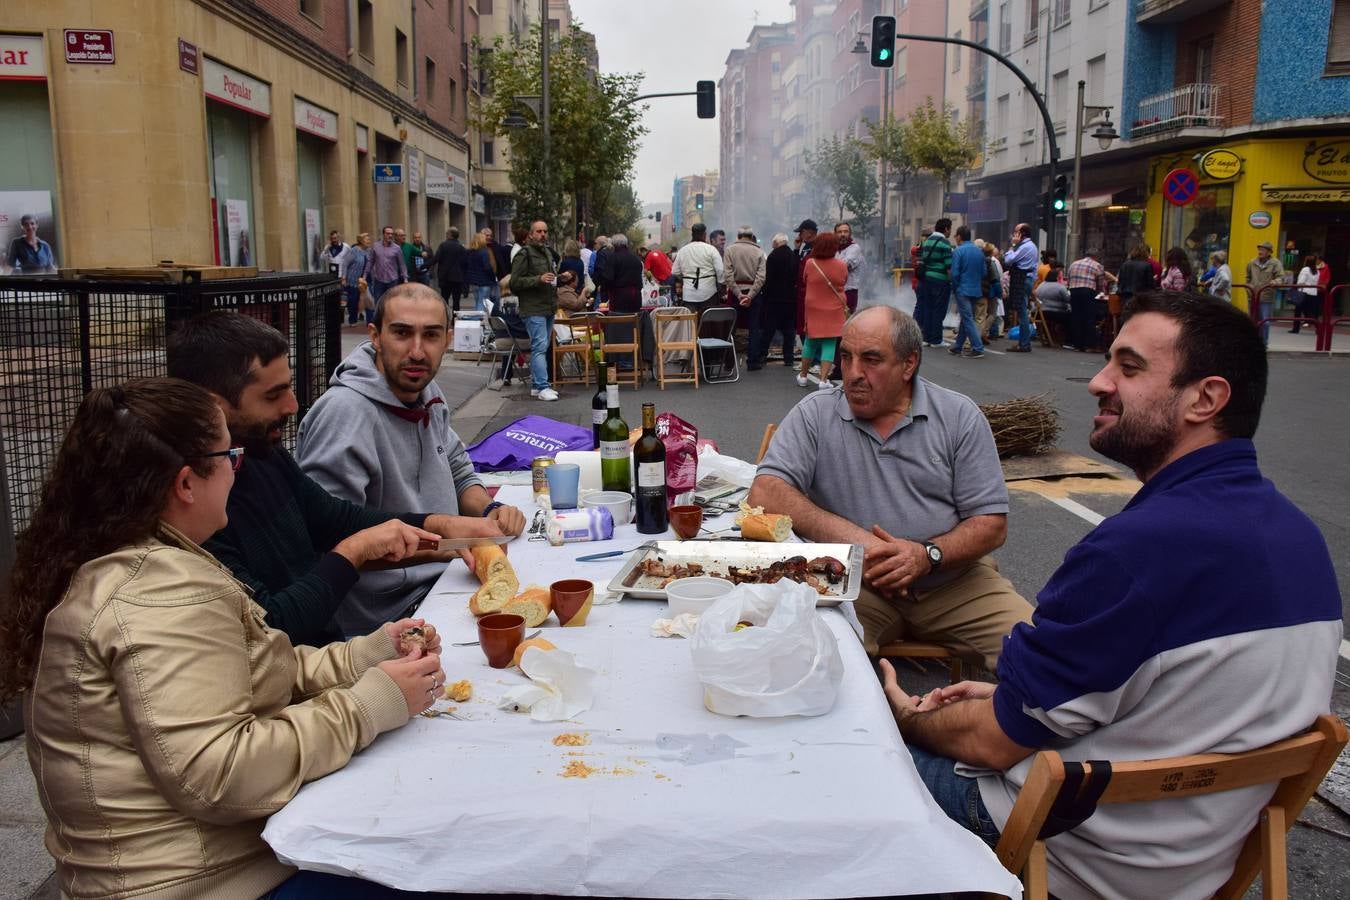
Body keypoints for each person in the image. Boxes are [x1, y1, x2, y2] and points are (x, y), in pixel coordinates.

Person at [882, 291, 1341, 900]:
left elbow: (990, 742)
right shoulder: (1300, 537)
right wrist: (1017, 697)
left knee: (845, 766)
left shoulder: (1132, 550)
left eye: (1128, 367)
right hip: (1198, 864)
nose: (1098, 382)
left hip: (1074, 855)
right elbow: (1182, 698)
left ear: (1205, 398)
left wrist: (910, 718)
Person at [0, 377, 445, 899]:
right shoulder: (163, 593)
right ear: (187, 483)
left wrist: (369, 654)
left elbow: (255, 668)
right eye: (229, 453)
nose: (240, 467)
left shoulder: (144, 557)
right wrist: (373, 703)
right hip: (201, 882)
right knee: (436, 859)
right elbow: (220, 773)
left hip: (199, 861)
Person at [167, 311, 502, 645]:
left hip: (333, 655)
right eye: (272, 395)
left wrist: (439, 527)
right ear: (212, 409)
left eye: (432, 335)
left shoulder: (259, 452)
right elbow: (269, 628)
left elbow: (335, 516)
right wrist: (354, 552)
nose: (293, 405)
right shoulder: (193, 511)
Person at [750, 306, 1033, 669]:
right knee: (807, 658)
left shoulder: (958, 416)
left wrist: (926, 556)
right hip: (855, 584)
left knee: (1042, 657)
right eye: (846, 358)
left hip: (951, 583)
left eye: (871, 360)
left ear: (908, 364)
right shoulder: (817, 413)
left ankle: (978, 722)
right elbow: (765, 491)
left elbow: (991, 524)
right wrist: (859, 543)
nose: (852, 374)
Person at [296, 284, 527, 635]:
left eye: (430, 335)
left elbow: (457, 467)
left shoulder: (424, 390)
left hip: (444, 581)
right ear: (375, 336)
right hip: (387, 620)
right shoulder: (344, 415)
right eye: (402, 333)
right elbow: (329, 540)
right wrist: (450, 543)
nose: (417, 352)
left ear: (447, 339)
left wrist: (487, 511)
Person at [509, 220, 560, 402]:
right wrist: (538, 279)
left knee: (542, 346)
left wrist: (560, 277)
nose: (543, 235)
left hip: (548, 306)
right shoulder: (524, 254)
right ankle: (543, 386)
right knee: (539, 347)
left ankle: (537, 386)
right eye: (539, 231)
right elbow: (514, 283)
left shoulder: (546, 252)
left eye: (545, 231)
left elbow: (549, 278)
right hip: (533, 308)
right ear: (530, 234)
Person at [797, 231, 849, 388]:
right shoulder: (841, 265)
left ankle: (803, 376)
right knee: (829, 342)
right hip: (834, 308)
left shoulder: (810, 263)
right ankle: (823, 379)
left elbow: (805, 279)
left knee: (810, 341)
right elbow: (844, 281)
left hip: (813, 307)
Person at [751, 232, 798, 370]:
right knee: (789, 330)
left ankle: (762, 355)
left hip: (774, 299)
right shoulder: (793, 256)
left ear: (777, 243)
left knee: (769, 329)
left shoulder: (772, 256)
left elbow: (768, 279)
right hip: (790, 299)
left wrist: (764, 296)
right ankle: (788, 358)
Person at [948, 225, 986, 359]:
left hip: (962, 289)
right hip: (976, 289)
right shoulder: (979, 251)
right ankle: (958, 346)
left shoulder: (958, 251)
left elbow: (955, 273)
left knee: (968, 318)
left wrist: (956, 287)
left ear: (959, 237)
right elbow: (984, 272)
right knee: (966, 318)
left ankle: (978, 347)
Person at [672, 222, 725, 317]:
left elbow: (675, 271)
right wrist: (721, 285)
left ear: (692, 235)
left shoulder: (683, 250)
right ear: (705, 235)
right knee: (707, 325)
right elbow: (720, 271)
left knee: (691, 323)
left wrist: (686, 278)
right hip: (709, 293)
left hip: (689, 294)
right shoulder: (711, 249)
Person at [916, 219, 954, 347]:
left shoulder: (927, 241)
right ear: (946, 229)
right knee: (939, 310)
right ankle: (936, 340)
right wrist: (951, 282)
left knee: (928, 308)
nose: (950, 232)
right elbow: (949, 266)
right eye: (950, 229)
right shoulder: (945, 243)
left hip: (926, 279)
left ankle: (927, 338)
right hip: (940, 281)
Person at [1065, 248, 1111, 352]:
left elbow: (1068, 279)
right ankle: (1088, 345)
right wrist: (1100, 292)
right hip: (1088, 291)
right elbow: (1100, 283)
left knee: (1076, 316)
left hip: (1074, 291)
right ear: (1095, 256)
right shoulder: (1097, 265)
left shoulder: (1074, 264)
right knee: (1089, 317)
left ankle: (1077, 344)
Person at [1003, 223, 1038, 352]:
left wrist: (1013, 245)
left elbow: (1008, 260)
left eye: (1016, 232)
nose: (1014, 234)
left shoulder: (1025, 247)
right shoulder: (1026, 246)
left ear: (1022, 234)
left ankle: (1024, 343)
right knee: (1021, 309)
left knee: (1022, 311)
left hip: (1023, 279)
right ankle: (1023, 342)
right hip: (1024, 279)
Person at [1245, 241, 1284, 345]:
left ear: (1269, 252)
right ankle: (1253, 342)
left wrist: (1275, 281)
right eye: (1260, 249)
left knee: (1265, 322)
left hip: (1266, 296)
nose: (1260, 251)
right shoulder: (1252, 262)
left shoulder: (1275, 263)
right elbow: (1248, 277)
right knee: (1252, 321)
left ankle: (1264, 343)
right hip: (1253, 296)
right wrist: (1248, 288)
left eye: (1263, 250)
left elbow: (1281, 277)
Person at [363, 226, 409, 308]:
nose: (390, 236)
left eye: (391, 234)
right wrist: (365, 276)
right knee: (378, 303)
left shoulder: (397, 248)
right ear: (383, 234)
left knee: (392, 303)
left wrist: (405, 278)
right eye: (388, 233)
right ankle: (379, 320)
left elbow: (402, 264)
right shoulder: (375, 246)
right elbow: (370, 262)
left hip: (392, 280)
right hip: (379, 280)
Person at [604, 233, 645, 314]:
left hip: (618, 298)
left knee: (620, 323)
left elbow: (608, 278)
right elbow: (639, 281)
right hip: (635, 298)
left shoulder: (613, 258)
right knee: (634, 322)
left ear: (614, 245)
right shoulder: (636, 259)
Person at [433, 226, 468, 312]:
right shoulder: (461, 247)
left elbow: (436, 258)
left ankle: (446, 318)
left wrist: (423, 266)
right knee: (456, 301)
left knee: (445, 300)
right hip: (458, 279)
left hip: (445, 278)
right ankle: (455, 319)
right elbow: (465, 263)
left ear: (450, 235)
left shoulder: (443, 245)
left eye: (447, 233)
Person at [340, 232, 371, 326]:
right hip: (353, 280)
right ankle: (352, 320)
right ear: (361, 241)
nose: (369, 241)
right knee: (353, 300)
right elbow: (345, 263)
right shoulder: (354, 251)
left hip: (365, 279)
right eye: (367, 239)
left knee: (366, 300)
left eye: (369, 239)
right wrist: (344, 277)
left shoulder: (368, 251)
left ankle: (367, 319)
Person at [835, 222, 865, 313]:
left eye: (845, 231)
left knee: (847, 320)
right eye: (839, 232)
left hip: (849, 291)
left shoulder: (854, 248)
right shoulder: (834, 249)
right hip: (835, 291)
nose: (843, 234)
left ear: (850, 233)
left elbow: (844, 265)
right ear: (835, 234)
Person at [466, 231, 498, 312]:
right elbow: (487, 267)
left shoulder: (470, 252)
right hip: (484, 281)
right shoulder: (484, 252)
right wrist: (492, 276)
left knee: (477, 302)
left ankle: (477, 319)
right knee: (483, 302)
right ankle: (479, 320)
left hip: (474, 281)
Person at [1290, 254, 1321, 334]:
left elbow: (1300, 282)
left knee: (1298, 312)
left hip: (1303, 293)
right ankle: (1318, 327)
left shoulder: (1305, 269)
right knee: (1309, 313)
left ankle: (1295, 329)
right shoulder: (1317, 271)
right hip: (1313, 293)